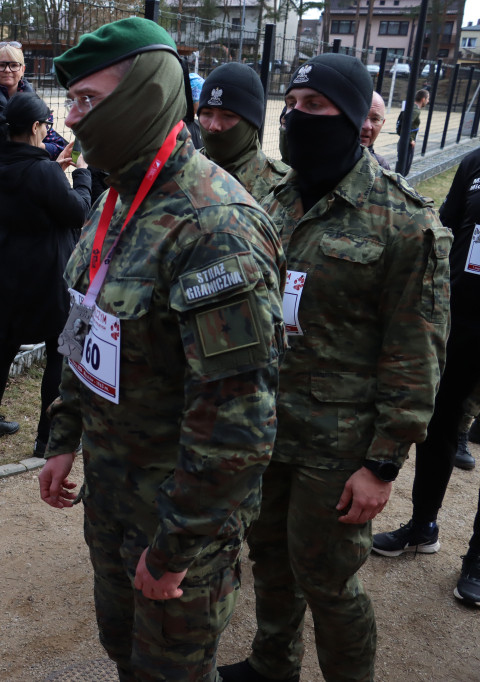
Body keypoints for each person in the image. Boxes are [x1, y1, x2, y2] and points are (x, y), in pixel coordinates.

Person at [37, 18, 285, 680]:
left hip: (178, 522)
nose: (71, 116)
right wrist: (64, 436)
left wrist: (176, 549)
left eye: (87, 100)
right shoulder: (115, 199)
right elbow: (85, 325)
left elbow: (237, 424)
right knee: (124, 651)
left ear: (142, 96)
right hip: (114, 496)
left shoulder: (216, 227)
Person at [219, 54, 450, 682]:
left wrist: (382, 464)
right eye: (290, 103)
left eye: (314, 106)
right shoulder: (270, 197)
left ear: (351, 117)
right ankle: (273, 665)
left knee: (328, 580)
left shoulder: (405, 222)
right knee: (269, 556)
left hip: (339, 443)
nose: (296, 116)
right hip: (266, 425)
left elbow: (416, 352)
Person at [370, 145, 480, 564]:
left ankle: (477, 559)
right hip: (463, 317)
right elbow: (447, 225)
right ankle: (422, 527)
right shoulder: (474, 163)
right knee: (439, 427)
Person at [0, 92, 92, 454]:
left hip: (9, 265)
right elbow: (78, 212)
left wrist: (54, 170)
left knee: (7, 342)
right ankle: (45, 440)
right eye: (46, 124)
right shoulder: (40, 168)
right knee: (60, 351)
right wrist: (82, 173)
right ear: (34, 126)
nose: (48, 131)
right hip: (48, 270)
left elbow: (31, 192)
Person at [0, 40, 67, 357]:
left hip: (27, 192)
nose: (7, 70)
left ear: (23, 69)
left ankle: (21, 326)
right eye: (1, 64)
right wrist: (34, 150)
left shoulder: (36, 103)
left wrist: (10, 148)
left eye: (14, 65)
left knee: (25, 258)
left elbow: (59, 143)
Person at [197, 62, 288, 203]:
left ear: (252, 122)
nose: (214, 126)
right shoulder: (178, 169)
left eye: (228, 115)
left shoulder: (282, 189)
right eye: (207, 113)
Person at [398, 88, 429, 173]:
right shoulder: (415, 110)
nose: (428, 101)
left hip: (405, 141)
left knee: (403, 168)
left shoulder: (411, 107)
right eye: (428, 99)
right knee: (404, 169)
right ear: (423, 99)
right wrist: (411, 140)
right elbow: (406, 125)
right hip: (407, 143)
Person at [361, 91, 390, 170]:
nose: (367, 126)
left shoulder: (382, 167)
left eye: (375, 119)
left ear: (382, 123)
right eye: (362, 116)